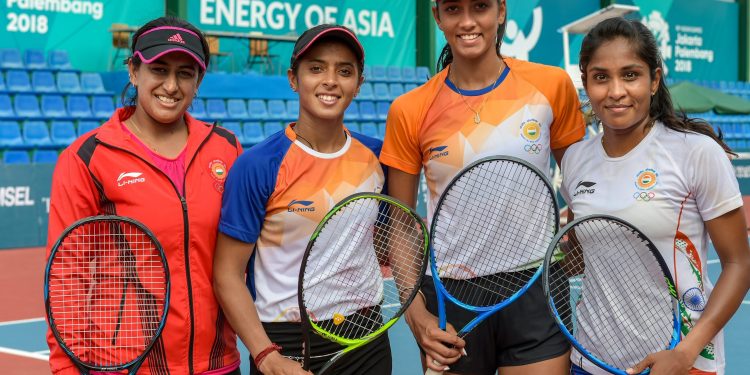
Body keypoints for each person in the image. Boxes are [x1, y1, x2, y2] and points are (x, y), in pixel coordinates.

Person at [380, 0, 585, 373]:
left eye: (480, 7)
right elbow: (401, 224)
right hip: (450, 295)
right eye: (454, 9)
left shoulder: (551, 85)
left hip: (536, 288)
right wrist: (416, 315)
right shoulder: (409, 109)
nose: (468, 21)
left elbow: (584, 186)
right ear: (437, 16)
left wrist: (575, 256)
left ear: (501, 11)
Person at [45, 16, 242, 374]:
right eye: (159, 69)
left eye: (185, 73)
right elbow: (66, 275)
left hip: (216, 363)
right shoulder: (87, 158)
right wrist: (67, 369)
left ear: (198, 81)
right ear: (134, 71)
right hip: (125, 364)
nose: (171, 85)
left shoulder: (226, 149)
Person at [561, 17, 750, 375]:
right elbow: (580, 258)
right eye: (601, 77)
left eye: (630, 75)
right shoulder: (575, 159)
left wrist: (685, 352)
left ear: (654, 80)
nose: (616, 90)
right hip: (591, 361)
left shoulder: (695, 152)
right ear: (585, 83)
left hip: (680, 362)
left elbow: (739, 265)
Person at [213, 24, 388, 375]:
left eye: (344, 71)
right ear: (294, 79)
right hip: (287, 341)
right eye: (316, 68)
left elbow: (383, 241)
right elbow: (226, 274)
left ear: (358, 84)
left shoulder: (378, 156)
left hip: (366, 335)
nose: (330, 80)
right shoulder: (258, 166)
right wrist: (266, 355)